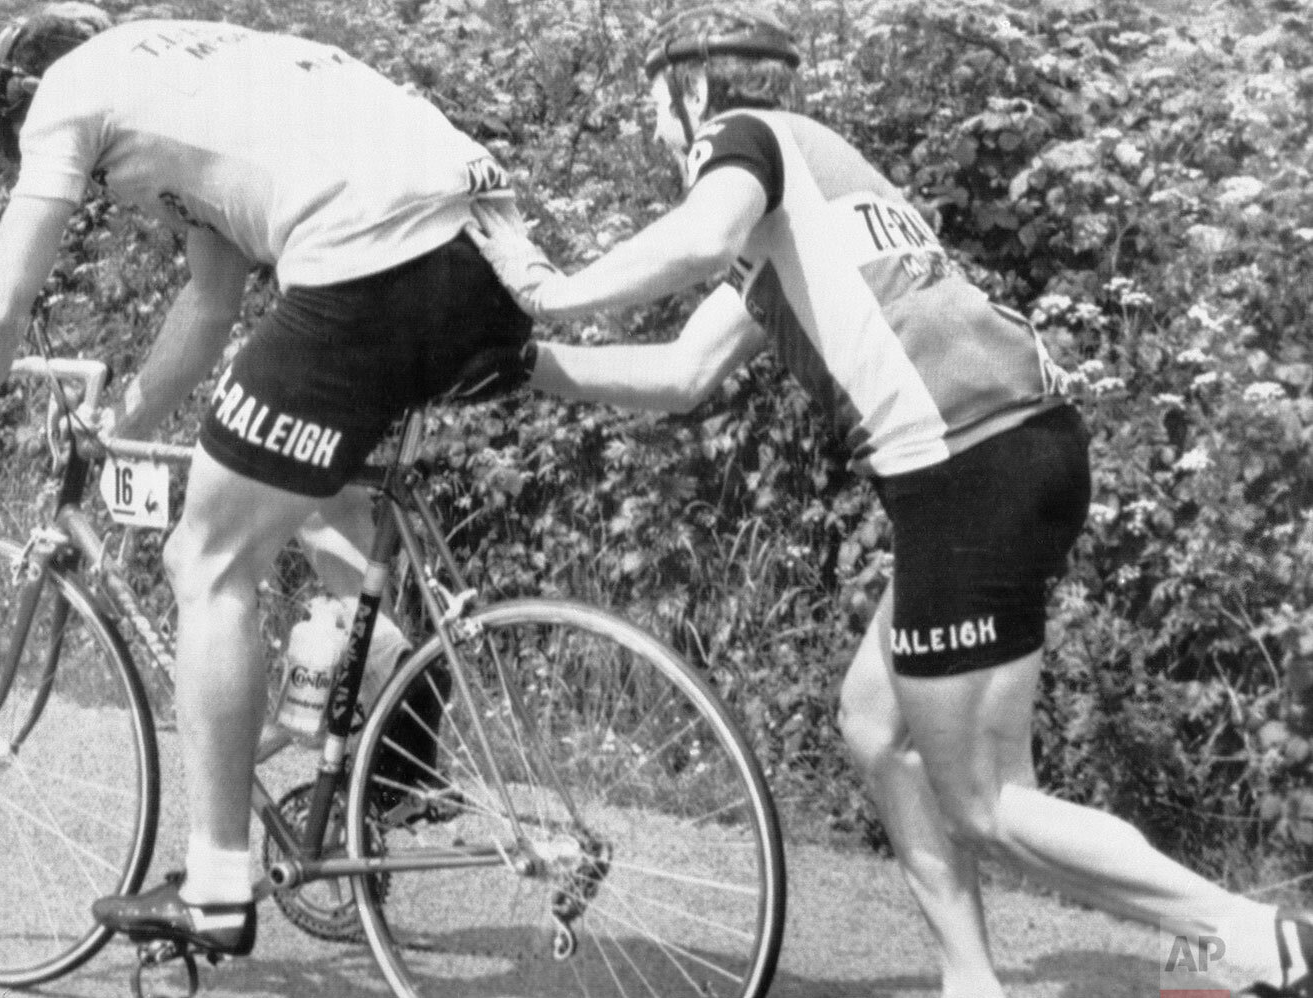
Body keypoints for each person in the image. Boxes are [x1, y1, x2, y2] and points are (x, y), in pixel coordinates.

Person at [466, 5, 1313, 995]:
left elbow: (699, 237)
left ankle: (1249, 934)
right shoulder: (807, 193)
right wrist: (520, 362)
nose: (657, 129)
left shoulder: (746, 145)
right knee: (875, 725)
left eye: (657, 102)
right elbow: (684, 371)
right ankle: (969, 976)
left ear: (696, 88)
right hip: (1001, 450)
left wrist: (547, 288)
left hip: (967, 461)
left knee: (989, 799)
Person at [0, 3, 530, 958]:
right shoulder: (188, 74)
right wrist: (122, 423)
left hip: (372, 256)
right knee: (314, 500)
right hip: (486, 257)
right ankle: (400, 745)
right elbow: (211, 300)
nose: (98, 195)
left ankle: (216, 889)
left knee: (207, 558)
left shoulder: (63, 94)